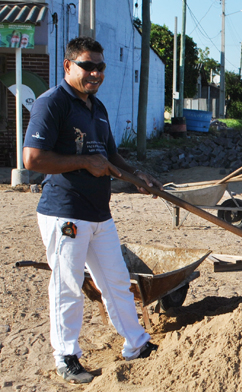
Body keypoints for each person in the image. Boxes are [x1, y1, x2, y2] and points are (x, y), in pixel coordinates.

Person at [23, 37, 161, 384]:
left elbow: (111, 156)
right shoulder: (52, 104)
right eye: (88, 65)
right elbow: (32, 159)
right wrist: (85, 161)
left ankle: (137, 343)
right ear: (68, 66)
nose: (95, 72)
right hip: (65, 212)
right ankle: (66, 356)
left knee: (115, 280)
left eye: (100, 67)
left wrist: (136, 176)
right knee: (67, 284)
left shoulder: (96, 108)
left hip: (99, 213)